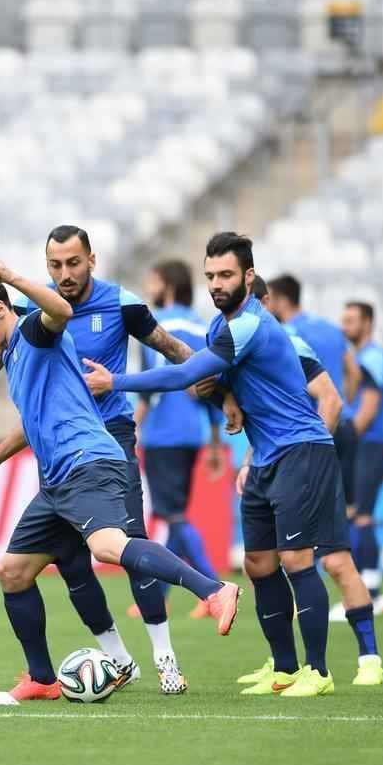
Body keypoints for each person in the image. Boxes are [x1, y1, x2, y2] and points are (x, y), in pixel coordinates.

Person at [0, 226, 240, 695]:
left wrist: (12, 276)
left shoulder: (37, 331)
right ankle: (42, 679)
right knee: (13, 572)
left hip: (90, 461)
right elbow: (35, 419)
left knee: (108, 546)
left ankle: (213, 591)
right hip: (59, 479)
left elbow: (60, 309)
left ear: (0, 310)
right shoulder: (14, 353)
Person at [83, 237, 383, 696]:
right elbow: (207, 382)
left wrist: (116, 382)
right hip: (263, 457)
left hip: (300, 449)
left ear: (248, 277)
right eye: (210, 276)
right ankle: (284, 669)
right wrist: (227, 402)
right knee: (258, 563)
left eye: (226, 275)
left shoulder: (247, 326)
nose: (216, 284)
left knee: (299, 561)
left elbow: (187, 374)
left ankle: (318, 671)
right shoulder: (219, 329)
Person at [231, 275, 383, 689]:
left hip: (315, 447)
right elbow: (350, 375)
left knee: (331, 558)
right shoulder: (329, 332)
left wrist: (308, 448)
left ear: (270, 302)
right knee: (278, 560)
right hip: (306, 444)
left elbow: (328, 398)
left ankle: (366, 658)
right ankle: (287, 664)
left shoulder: (283, 340)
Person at [136, 260, 228, 620]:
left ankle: (215, 589)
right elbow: (211, 386)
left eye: (153, 279)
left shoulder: (156, 329)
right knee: (175, 515)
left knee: (174, 517)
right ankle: (159, 596)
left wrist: (131, 430)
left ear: (167, 284)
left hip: (163, 433)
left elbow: (149, 388)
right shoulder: (204, 327)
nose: (149, 286)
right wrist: (217, 442)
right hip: (192, 433)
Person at [266, 275, 361, 529]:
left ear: (282, 300)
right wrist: (345, 401)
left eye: (270, 299)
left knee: (307, 504)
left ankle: (309, 566)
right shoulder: (331, 328)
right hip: (344, 422)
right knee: (347, 505)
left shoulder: (286, 333)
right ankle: (354, 564)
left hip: (312, 427)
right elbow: (354, 371)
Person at [336, 300, 383, 616]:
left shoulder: (372, 358)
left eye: (351, 320)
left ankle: (370, 591)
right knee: (351, 515)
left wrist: (347, 440)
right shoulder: (356, 358)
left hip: (368, 444)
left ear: (367, 323)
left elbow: (369, 408)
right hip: (358, 444)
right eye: (343, 320)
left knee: (362, 516)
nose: (345, 326)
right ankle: (361, 591)